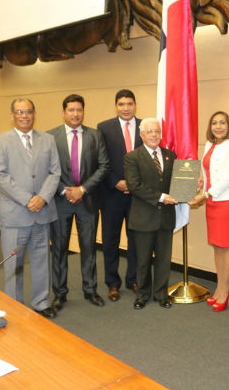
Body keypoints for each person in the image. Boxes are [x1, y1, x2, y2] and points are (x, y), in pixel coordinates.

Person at [0, 98, 61, 319]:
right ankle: (14, 304)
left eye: (28, 111)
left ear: (34, 113)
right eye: (19, 112)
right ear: (12, 115)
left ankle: (41, 302)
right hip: (15, 214)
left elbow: (55, 172)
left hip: (42, 212)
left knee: (41, 260)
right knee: (14, 263)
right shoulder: (0, 141)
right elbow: (0, 176)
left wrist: (42, 198)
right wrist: (28, 199)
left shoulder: (48, 140)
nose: (24, 115)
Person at [48, 94, 109, 310]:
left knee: (89, 247)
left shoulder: (95, 136)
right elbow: (46, 169)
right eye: (71, 110)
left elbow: (103, 166)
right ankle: (60, 294)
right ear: (63, 112)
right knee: (59, 249)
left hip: (88, 200)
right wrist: (65, 191)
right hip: (61, 201)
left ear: (84, 112)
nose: (75, 114)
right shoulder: (50, 137)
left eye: (79, 110)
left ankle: (90, 290)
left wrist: (82, 189)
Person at [189, 111, 229, 312]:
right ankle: (220, 289)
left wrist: (205, 195)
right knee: (217, 246)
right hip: (212, 201)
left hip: (227, 202)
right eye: (214, 123)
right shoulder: (210, 145)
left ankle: (224, 289)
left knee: (226, 246)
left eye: (222, 123)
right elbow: (209, 172)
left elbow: (228, 177)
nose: (218, 126)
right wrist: (201, 184)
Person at [124, 118, 178, 310]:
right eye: (149, 131)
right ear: (141, 135)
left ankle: (161, 294)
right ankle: (143, 294)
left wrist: (189, 186)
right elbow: (134, 185)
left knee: (164, 259)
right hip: (143, 218)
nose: (154, 134)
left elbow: (175, 184)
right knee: (143, 260)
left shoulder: (171, 155)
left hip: (166, 218)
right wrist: (162, 197)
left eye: (157, 131)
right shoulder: (132, 157)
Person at [97, 89, 142, 301]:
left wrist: (133, 184)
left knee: (135, 240)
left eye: (129, 104)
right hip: (111, 194)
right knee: (110, 240)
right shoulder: (104, 128)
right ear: (116, 106)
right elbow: (101, 161)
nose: (126, 108)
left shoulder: (146, 127)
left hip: (137, 195)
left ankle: (133, 279)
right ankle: (112, 283)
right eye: (122, 104)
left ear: (135, 105)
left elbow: (148, 161)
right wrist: (116, 182)